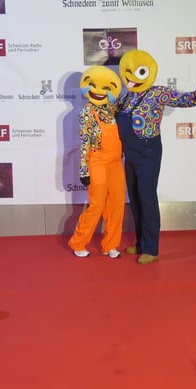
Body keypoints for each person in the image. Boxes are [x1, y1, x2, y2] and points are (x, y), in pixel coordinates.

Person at [115, 49, 196, 264]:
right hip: (129, 154)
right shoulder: (126, 96)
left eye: (138, 71)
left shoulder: (158, 92)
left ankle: (151, 248)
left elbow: (183, 100)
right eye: (128, 72)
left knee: (147, 198)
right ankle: (141, 242)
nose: (131, 77)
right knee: (135, 198)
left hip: (147, 153)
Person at [68, 65, 126, 259]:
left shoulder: (114, 110)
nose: (99, 91)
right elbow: (85, 141)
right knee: (97, 204)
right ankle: (78, 242)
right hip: (97, 161)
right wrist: (84, 169)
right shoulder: (87, 112)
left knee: (116, 205)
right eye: (94, 86)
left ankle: (110, 245)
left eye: (106, 88)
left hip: (116, 163)